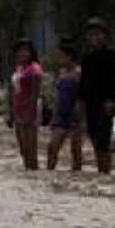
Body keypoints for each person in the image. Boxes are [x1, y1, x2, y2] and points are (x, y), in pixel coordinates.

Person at [79, 18, 115, 175]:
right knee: (94, 139)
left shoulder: (111, 55)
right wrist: (81, 106)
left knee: (103, 140)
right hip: (90, 103)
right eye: (91, 35)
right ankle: (101, 170)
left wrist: (112, 101)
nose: (94, 38)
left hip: (105, 104)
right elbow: (83, 84)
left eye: (97, 34)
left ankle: (106, 171)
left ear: (104, 36)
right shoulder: (87, 57)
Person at [45, 38, 83, 171]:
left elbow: (81, 96)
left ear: (69, 56)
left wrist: (80, 118)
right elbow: (58, 96)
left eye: (61, 55)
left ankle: (76, 174)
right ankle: (49, 172)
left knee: (76, 151)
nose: (58, 58)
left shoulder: (78, 73)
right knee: (52, 147)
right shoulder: (61, 73)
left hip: (74, 116)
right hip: (60, 115)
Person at [8, 39, 43, 170]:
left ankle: (33, 170)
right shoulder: (18, 69)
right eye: (20, 51)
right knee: (23, 148)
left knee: (30, 148)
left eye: (26, 51)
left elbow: (35, 93)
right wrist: (11, 113)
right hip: (18, 109)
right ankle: (28, 171)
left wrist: (30, 113)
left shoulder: (34, 69)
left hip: (30, 109)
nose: (23, 54)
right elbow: (12, 91)